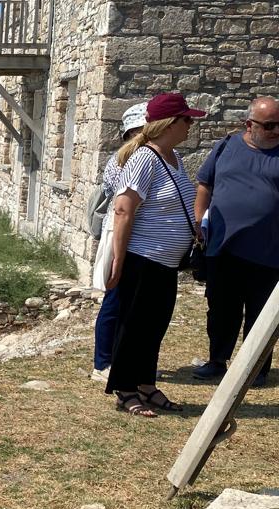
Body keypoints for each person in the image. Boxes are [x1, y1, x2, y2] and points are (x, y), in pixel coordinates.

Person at [105, 92, 206, 417]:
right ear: (170, 123)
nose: (191, 125)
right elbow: (123, 209)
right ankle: (125, 389)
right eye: (187, 119)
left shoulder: (173, 158)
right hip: (142, 258)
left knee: (153, 326)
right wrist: (119, 259)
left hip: (165, 262)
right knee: (133, 325)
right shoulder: (145, 158)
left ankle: (145, 384)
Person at [192, 95, 279, 386]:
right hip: (224, 247)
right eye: (269, 125)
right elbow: (205, 184)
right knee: (221, 309)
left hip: (269, 251)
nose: (276, 131)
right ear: (249, 124)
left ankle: (256, 369)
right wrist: (199, 221)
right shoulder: (226, 146)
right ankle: (217, 361)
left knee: (261, 313)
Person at [90, 101, 147, 382]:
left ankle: (124, 361)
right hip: (122, 236)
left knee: (133, 304)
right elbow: (123, 203)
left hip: (142, 240)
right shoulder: (123, 160)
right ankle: (103, 363)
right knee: (115, 299)